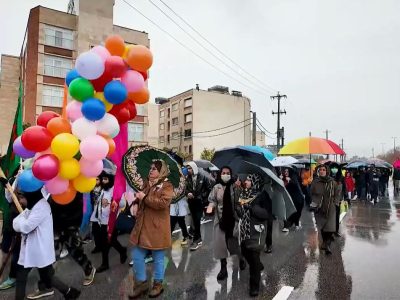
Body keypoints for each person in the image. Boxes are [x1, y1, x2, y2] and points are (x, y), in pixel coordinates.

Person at [13, 186, 80, 300]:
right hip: (36, 249)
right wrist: (20, 221)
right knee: (47, 276)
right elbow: (18, 221)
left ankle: (68, 292)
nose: (20, 201)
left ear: (29, 196)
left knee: (21, 276)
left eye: (22, 198)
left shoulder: (41, 207)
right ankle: (69, 292)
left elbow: (25, 226)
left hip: (37, 249)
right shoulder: (34, 205)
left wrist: (20, 222)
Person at [129, 160, 174, 299]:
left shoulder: (167, 185)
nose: (151, 170)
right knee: (137, 255)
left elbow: (163, 203)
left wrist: (145, 197)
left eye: (154, 168)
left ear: (161, 171)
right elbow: (140, 197)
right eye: (150, 168)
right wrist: (135, 202)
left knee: (158, 258)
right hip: (142, 225)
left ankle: (158, 284)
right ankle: (142, 284)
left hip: (157, 228)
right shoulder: (146, 183)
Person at [48, 192, 97, 290]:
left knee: (76, 252)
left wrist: (70, 224)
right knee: (49, 254)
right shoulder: (53, 187)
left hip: (70, 225)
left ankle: (89, 269)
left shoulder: (75, 189)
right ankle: (45, 283)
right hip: (54, 225)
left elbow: (77, 209)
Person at [206, 166, 245, 281]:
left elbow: (239, 202)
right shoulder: (216, 187)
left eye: (228, 173)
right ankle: (223, 269)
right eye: (223, 173)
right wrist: (210, 207)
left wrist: (239, 189)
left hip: (232, 219)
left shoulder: (235, 186)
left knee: (233, 244)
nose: (226, 175)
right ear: (220, 174)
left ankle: (241, 258)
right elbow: (212, 200)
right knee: (221, 245)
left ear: (231, 174)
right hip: (220, 219)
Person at [236, 174, 272, 297]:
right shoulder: (244, 194)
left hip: (257, 231)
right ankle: (257, 265)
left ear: (255, 181)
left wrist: (252, 208)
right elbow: (239, 208)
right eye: (246, 179)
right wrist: (239, 209)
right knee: (245, 252)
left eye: (248, 180)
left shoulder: (262, 195)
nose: (245, 181)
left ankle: (254, 286)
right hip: (244, 229)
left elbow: (267, 214)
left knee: (253, 255)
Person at [90, 171, 127, 273]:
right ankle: (122, 250)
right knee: (109, 242)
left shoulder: (115, 190)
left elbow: (123, 203)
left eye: (106, 179)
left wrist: (111, 201)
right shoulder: (104, 189)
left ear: (111, 180)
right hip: (102, 221)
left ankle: (105, 264)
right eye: (102, 179)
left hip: (111, 222)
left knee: (107, 242)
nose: (103, 181)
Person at [184, 162, 213, 251]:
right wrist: (187, 193)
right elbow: (185, 189)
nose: (188, 170)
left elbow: (209, 189)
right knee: (194, 220)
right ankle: (196, 238)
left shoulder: (202, 176)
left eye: (190, 168)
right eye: (188, 168)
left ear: (194, 168)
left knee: (196, 220)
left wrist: (201, 197)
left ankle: (197, 240)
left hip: (200, 202)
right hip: (191, 202)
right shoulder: (188, 178)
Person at [310, 165, 338, 255]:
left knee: (329, 228)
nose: (322, 171)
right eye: (320, 170)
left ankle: (327, 245)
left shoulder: (332, 182)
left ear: (327, 171)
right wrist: (314, 201)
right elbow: (311, 193)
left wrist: (336, 203)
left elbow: (337, 194)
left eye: (323, 170)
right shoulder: (315, 181)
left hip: (330, 207)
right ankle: (325, 242)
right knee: (322, 226)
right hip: (319, 207)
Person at [281, 168, 304, 232]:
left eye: (287, 171)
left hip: (297, 199)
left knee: (296, 212)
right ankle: (286, 226)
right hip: (287, 199)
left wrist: (290, 181)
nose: (285, 172)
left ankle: (296, 223)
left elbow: (296, 185)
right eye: (284, 171)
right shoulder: (283, 178)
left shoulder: (293, 178)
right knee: (286, 211)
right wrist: (280, 179)